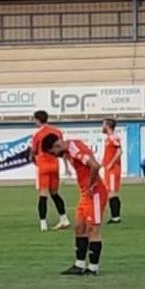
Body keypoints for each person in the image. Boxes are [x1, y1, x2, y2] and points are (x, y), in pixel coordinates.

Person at [42, 133, 107, 276]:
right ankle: (79, 265)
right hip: (85, 193)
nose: (55, 156)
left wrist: (90, 186)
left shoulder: (75, 148)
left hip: (95, 192)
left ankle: (93, 267)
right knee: (79, 227)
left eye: (53, 152)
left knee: (92, 230)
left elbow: (95, 165)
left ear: (57, 145)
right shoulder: (68, 150)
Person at [30, 110, 70, 232]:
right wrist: (67, 167)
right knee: (55, 193)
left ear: (37, 120)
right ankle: (64, 218)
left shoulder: (37, 134)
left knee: (43, 194)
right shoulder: (57, 131)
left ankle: (43, 223)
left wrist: (34, 160)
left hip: (43, 165)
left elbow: (34, 151)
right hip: (55, 165)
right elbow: (62, 150)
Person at [101, 119, 123, 224]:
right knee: (110, 192)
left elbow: (119, 151)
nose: (102, 127)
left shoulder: (113, 137)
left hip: (113, 170)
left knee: (112, 193)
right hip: (108, 169)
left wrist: (111, 164)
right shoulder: (108, 139)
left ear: (107, 126)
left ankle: (116, 217)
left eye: (103, 124)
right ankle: (115, 217)